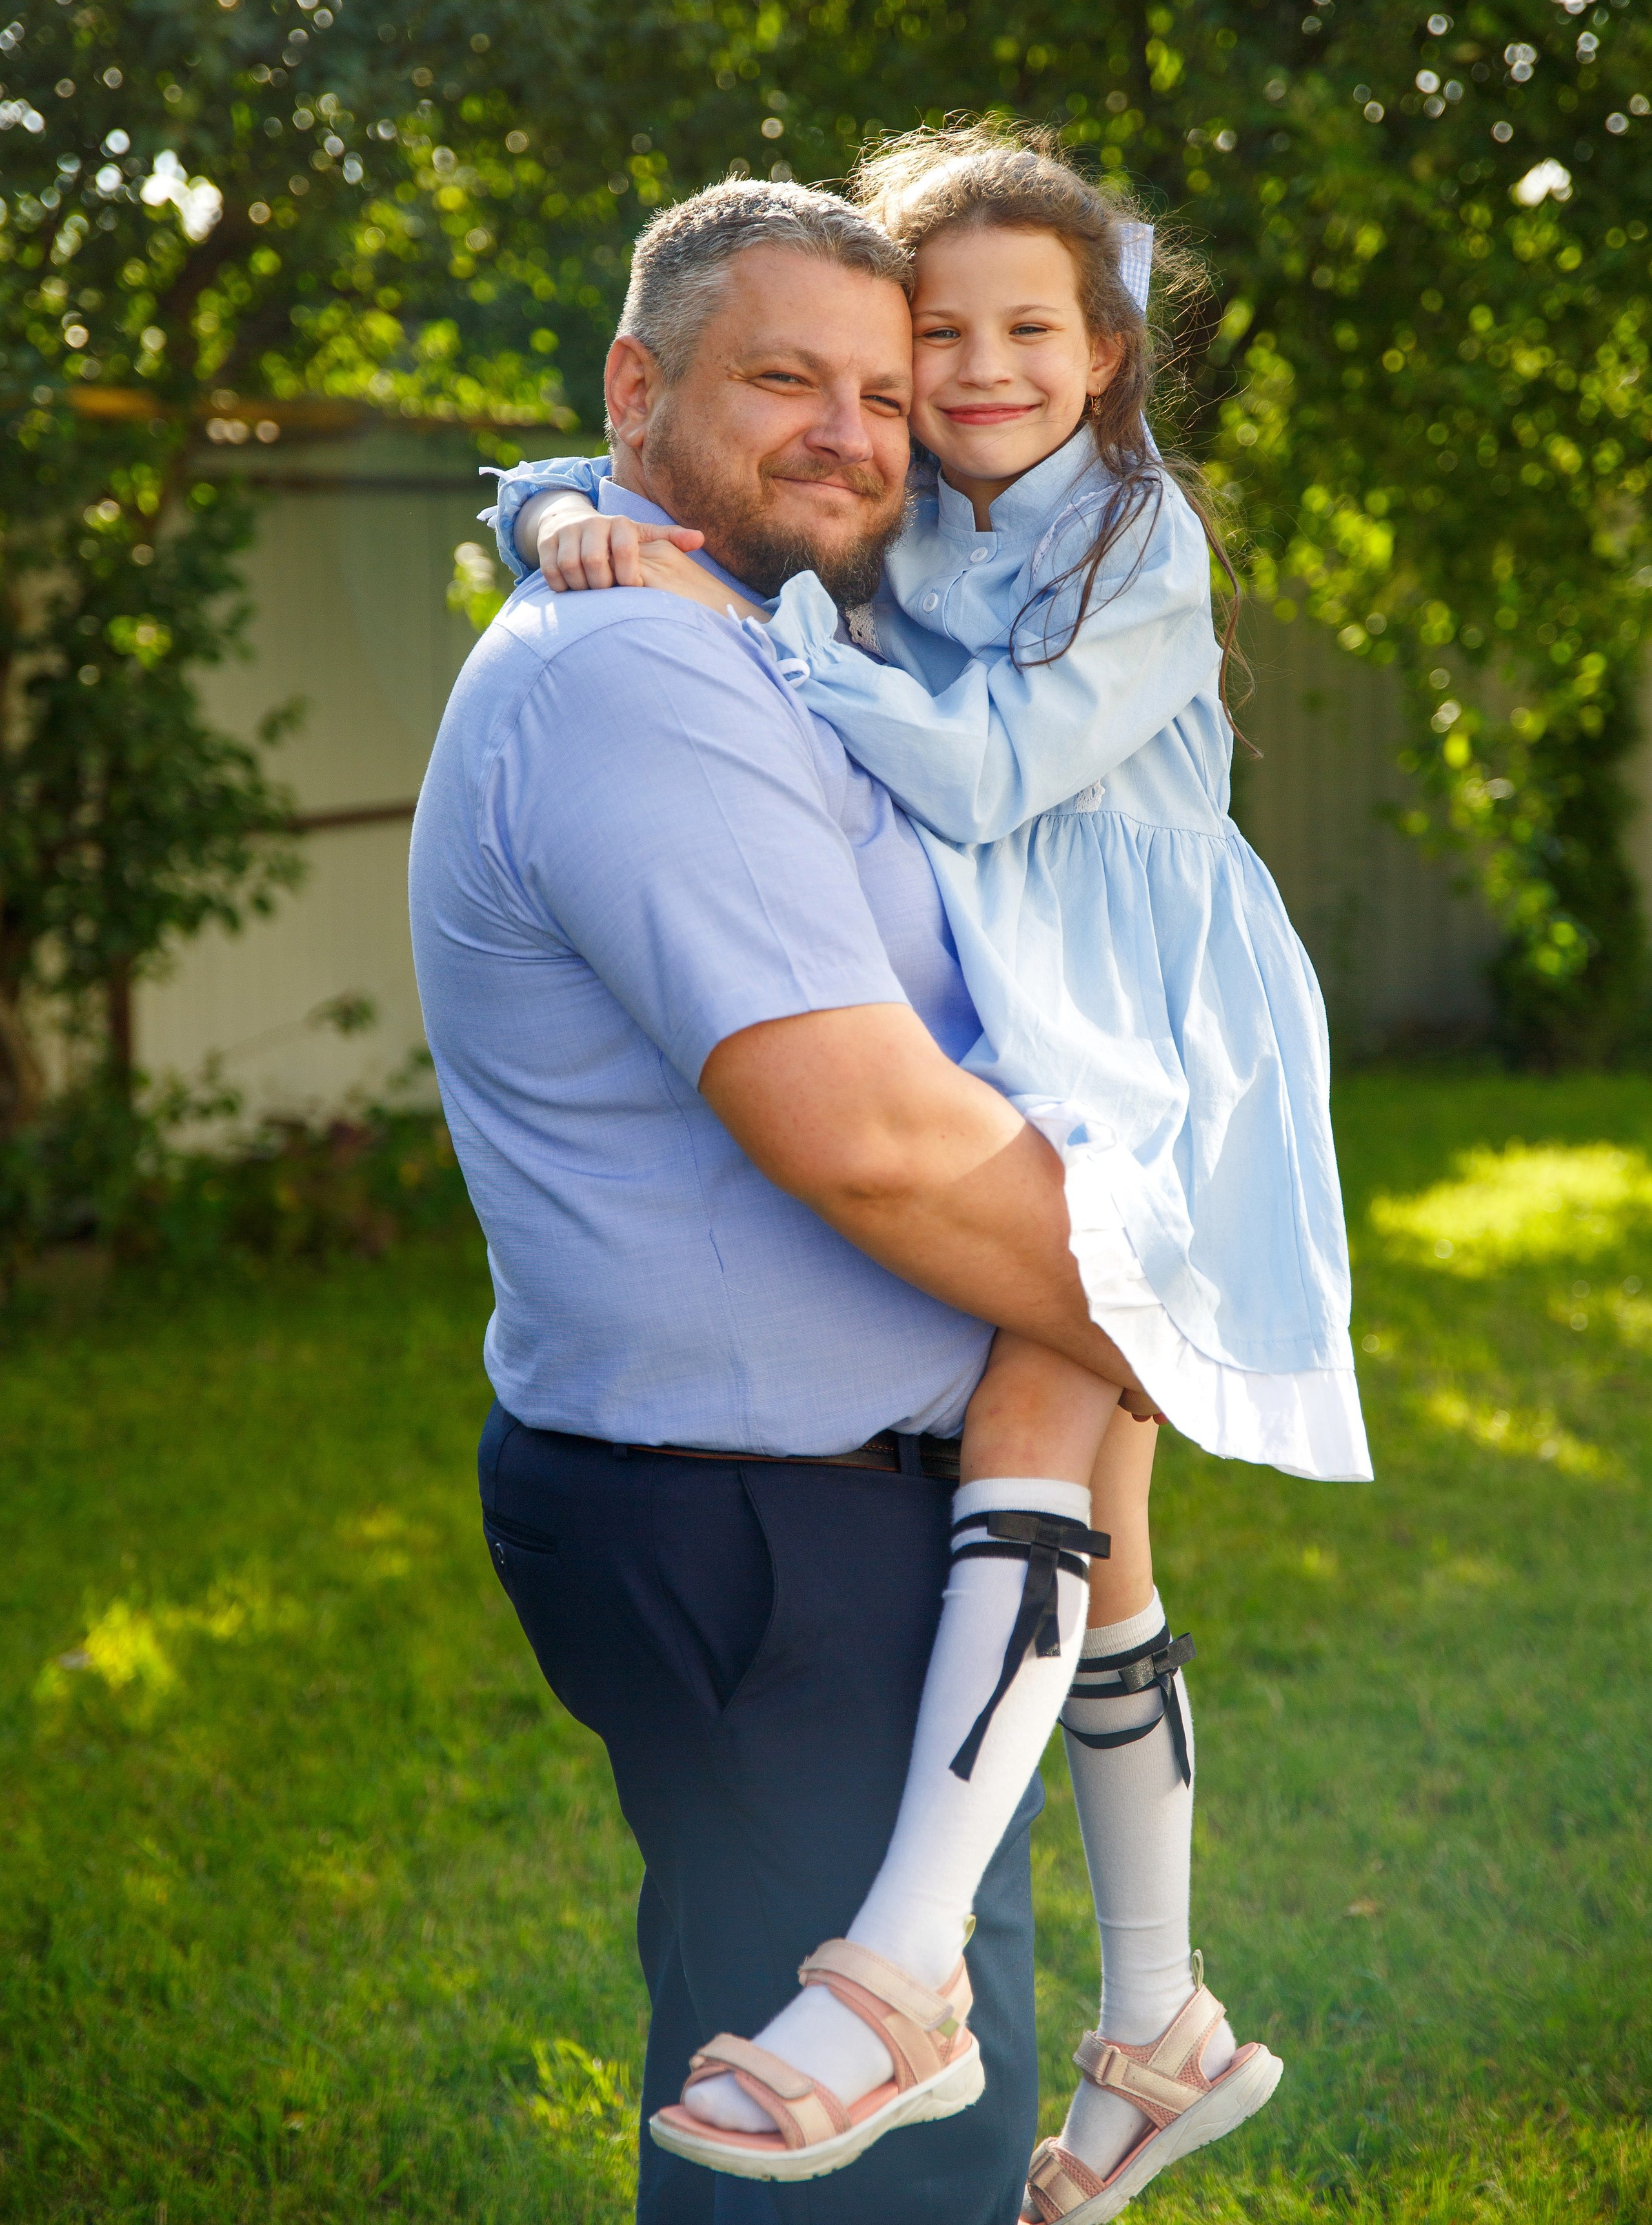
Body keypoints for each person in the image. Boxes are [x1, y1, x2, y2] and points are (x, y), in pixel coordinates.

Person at [501, 125, 1371, 2222]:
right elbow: (658, 489)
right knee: (1109, 1529)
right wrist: (555, 514)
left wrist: (748, 620)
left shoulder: (1130, 541)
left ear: (1112, 350)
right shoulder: (900, 531)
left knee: (1040, 1425)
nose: (946, 388)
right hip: (1038, 1027)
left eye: (1012, 337)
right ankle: (1158, 2017)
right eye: (921, 345)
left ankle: (903, 1970)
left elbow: (983, 769)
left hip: (1153, 1036)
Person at [412, 172, 1170, 2225]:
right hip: (770, 1529)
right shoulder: (634, 672)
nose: (855, 427)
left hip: (813, 1506)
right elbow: (874, 1142)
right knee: (863, 2161)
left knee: (818, 2081)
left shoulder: (769, 619)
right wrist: (1169, 1304)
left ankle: (1157, 2017)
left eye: (883, 386)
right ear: (639, 387)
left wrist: (550, 500)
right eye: (785, 380)